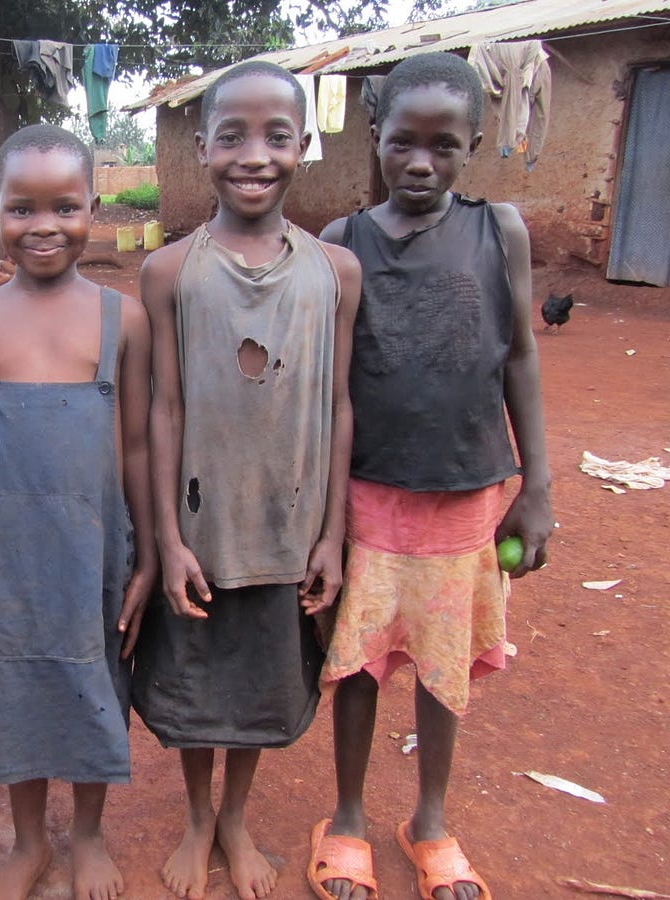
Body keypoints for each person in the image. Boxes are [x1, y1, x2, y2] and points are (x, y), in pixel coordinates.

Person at [308, 52, 552, 900]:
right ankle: (344, 814)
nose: (421, 162)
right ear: (373, 138)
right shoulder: (343, 244)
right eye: (403, 143)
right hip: (369, 494)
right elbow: (328, 385)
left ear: (474, 145)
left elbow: (519, 354)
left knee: (445, 665)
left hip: (466, 495)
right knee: (358, 664)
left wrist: (540, 487)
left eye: (444, 146)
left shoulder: (501, 231)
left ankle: (430, 819)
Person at [132, 61, 361, 900]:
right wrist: (166, 535)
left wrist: (333, 535)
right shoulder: (168, 272)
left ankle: (236, 817)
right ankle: (199, 818)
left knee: (263, 686)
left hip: (289, 528)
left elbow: (338, 405)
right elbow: (163, 409)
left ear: (304, 144)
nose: (254, 154)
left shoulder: (335, 272)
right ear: (201, 148)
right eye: (232, 136)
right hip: (202, 528)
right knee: (196, 683)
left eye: (276, 135)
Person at [0, 123, 157, 900]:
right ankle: (29, 842)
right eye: (21, 209)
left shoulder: (121, 319)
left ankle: (89, 835)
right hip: (7, 552)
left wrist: (150, 556)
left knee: (98, 680)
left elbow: (135, 447)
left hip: (97, 547)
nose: (43, 227)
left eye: (64, 207)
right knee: (18, 686)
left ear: (92, 208)